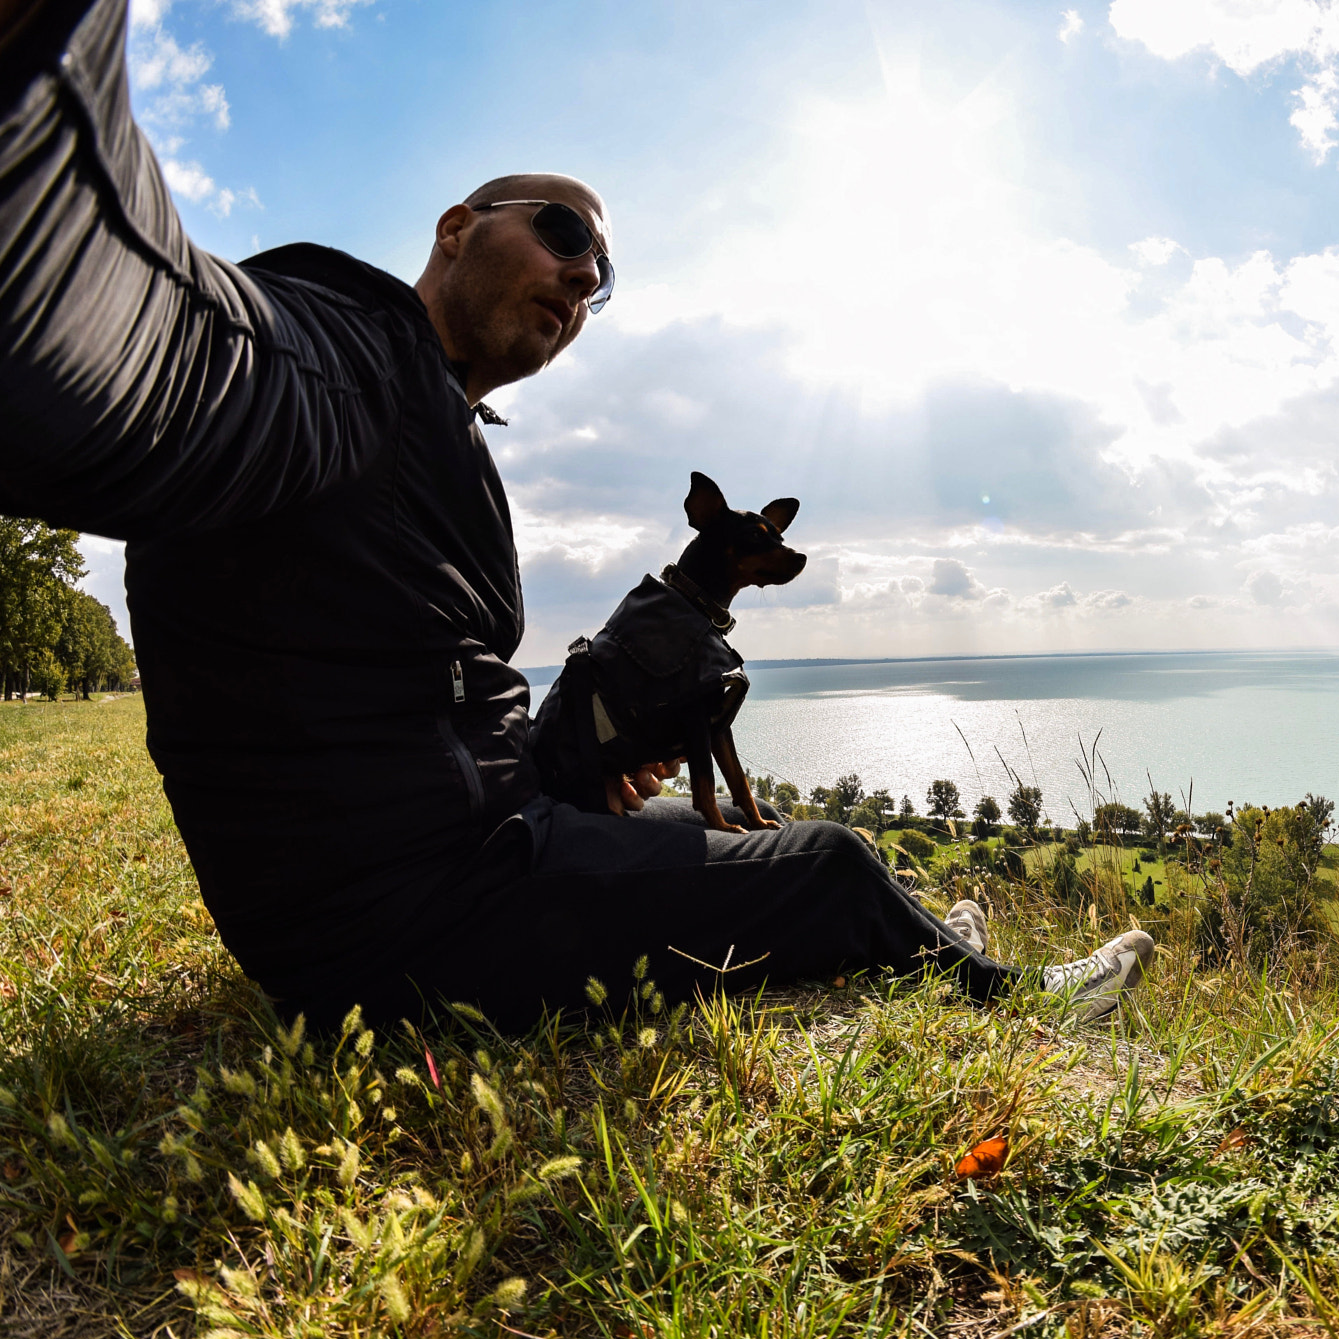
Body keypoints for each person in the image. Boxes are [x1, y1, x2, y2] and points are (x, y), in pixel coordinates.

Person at [0, 0, 1152, 1030]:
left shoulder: (425, 424)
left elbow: (407, 704)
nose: (581, 276)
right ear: (457, 226)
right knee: (835, 860)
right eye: (559, 232)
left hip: (416, 878)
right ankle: (1017, 1002)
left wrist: (560, 782)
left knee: (737, 842)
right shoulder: (341, 357)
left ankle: (912, 948)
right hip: (407, 922)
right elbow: (144, 355)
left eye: (601, 271)